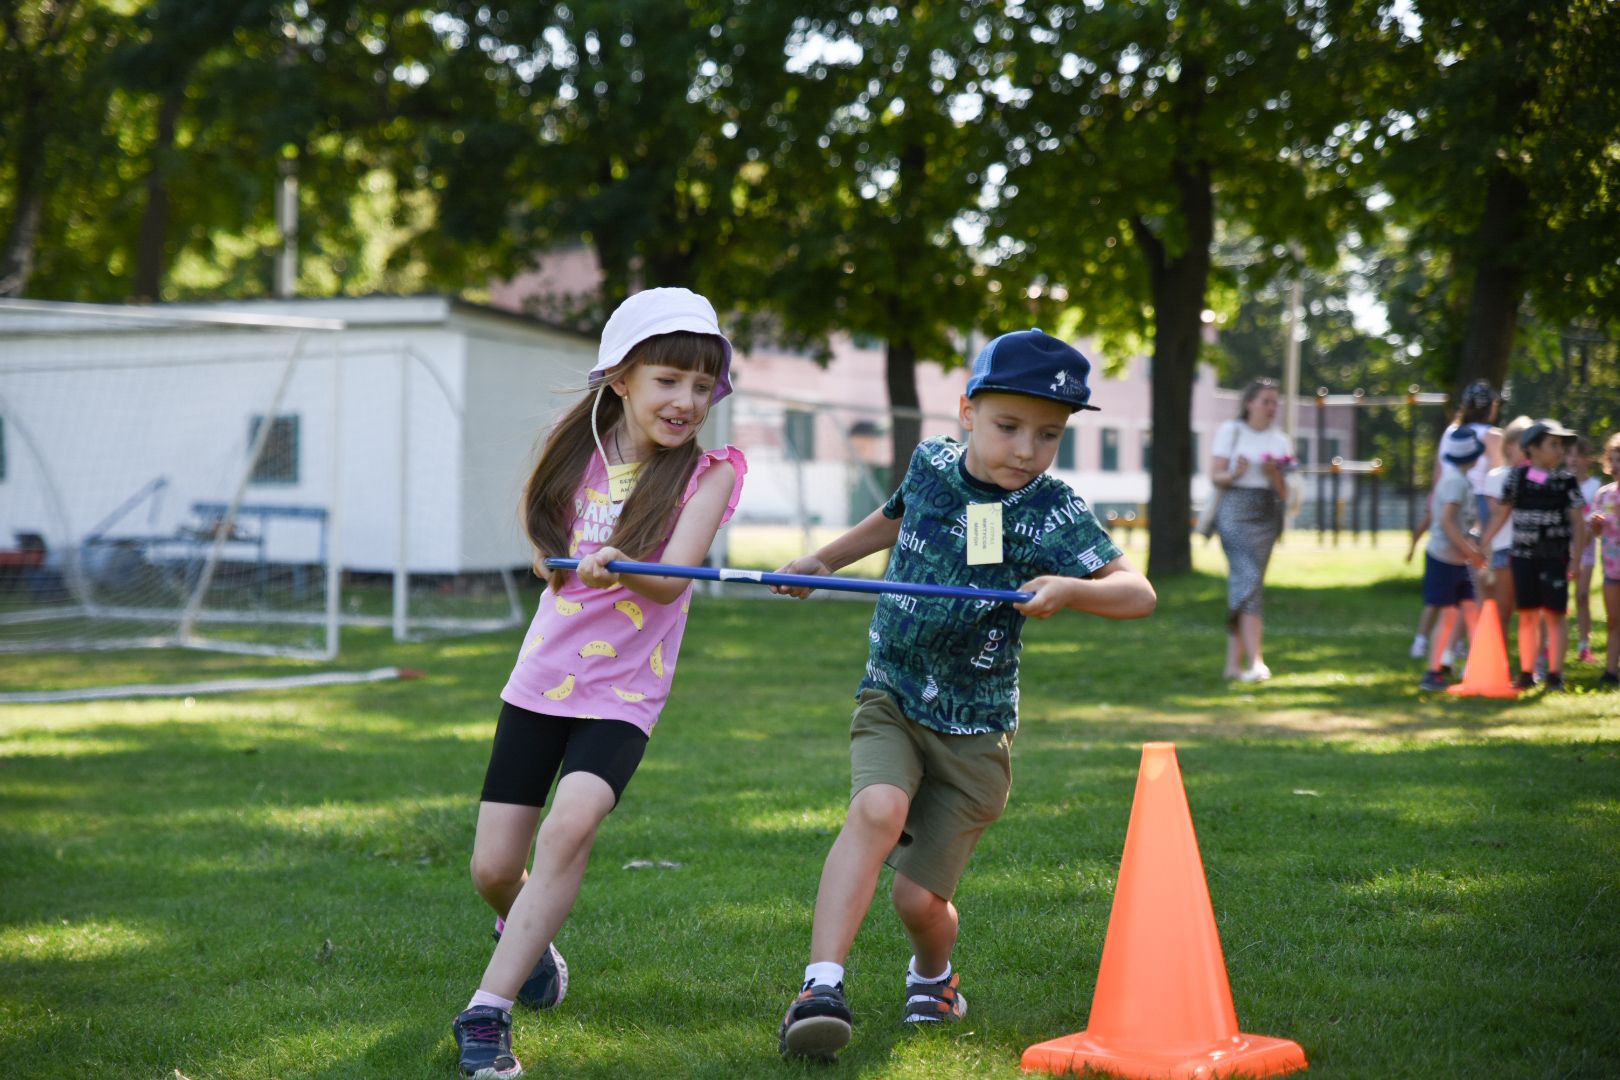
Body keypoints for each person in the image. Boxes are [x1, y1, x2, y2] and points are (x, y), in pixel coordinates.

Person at [768, 330, 1156, 1062]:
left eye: (1048, 434)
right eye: (1008, 426)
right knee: (876, 808)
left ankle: (934, 978)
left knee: (917, 901)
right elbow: (895, 515)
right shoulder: (932, 464)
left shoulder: (1053, 510)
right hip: (892, 692)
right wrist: (823, 560)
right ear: (967, 412)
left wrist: (1072, 589)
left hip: (975, 729)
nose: (1026, 450)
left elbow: (1139, 594)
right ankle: (820, 989)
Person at [451, 288, 747, 1080]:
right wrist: (553, 555)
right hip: (540, 682)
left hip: (624, 693)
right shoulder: (576, 449)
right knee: (493, 871)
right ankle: (530, 945)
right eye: (668, 381)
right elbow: (543, 532)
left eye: (702, 386)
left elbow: (671, 582)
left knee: (570, 826)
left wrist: (624, 565)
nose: (687, 401)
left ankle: (487, 1012)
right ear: (620, 379)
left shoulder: (710, 474)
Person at [1482, 419, 1586, 693]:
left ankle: (1555, 675)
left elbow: (1578, 522)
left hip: (1555, 558)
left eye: (1561, 445)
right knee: (1527, 614)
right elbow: (1502, 513)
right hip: (1523, 557)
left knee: (1555, 615)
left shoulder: (1566, 481)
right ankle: (1527, 672)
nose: (1560, 451)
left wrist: (1575, 559)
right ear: (1534, 448)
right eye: (1553, 444)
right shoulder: (1517, 478)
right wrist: (1483, 544)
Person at [1407, 380, 1504, 661]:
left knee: (1456, 588)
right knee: (1475, 584)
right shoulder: (1493, 436)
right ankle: (1458, 648)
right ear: (1492, 407)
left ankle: (1442, 645)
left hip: (1446, 503)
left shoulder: (1451, 433)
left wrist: (1434, 508)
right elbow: (1498, 477)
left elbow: (1438, 474)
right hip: (1477, 508)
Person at [1210, 378, 1291, 682]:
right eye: (1266, 401)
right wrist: (1236, 473)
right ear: (1249, 403)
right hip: (1234, 511)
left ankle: (1234, 665)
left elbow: (1285, 491)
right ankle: (1256, 661)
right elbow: (1215, 475)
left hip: (1266, 514)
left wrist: (1273, 474)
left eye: (1275, 402)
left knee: (1247, 587)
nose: (1271, 407)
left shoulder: (1280, 441)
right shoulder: (1231, 431)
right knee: (1248, 579)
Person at [1418, 428, 1488, 691]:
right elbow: (1447, 522)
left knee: (1470, 610)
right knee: (1449, 614)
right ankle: (1432, 672)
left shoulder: (1461, 480)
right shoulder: (1455, 482)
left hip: (1457, 560)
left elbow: (1462, 522)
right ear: (1474, 456)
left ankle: (1476, 666)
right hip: (1445, 559)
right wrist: (1471, 552)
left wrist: (1470, 547)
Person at [1480, 415, 1535, 649]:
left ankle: (1533, 660)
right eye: (1524, 443)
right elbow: (1497, 512)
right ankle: (1500, 657)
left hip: (1533, 549)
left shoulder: (1538, 475)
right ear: (1510, 445)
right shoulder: (1496, 476)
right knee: (1503, 609)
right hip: (1505, 549)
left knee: (1530, 610)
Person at [1584, 433, 1620, 687]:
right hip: (1612, 569)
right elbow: (1595, 533)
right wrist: (1595, 525)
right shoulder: (1603, 495)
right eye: (1613, 460)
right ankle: (1610, 671)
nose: (1616, 466)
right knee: (1614, 620)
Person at [1570, 436, 1601, 662]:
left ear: (1587, 459)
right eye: (1569, 454)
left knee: (1582, 595)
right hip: (1564, 546)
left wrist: (1587, 535)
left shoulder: (1595, 486)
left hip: (1587, 548)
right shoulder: (1562, 484)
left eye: (1578, 455)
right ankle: (1550, 644)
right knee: (1559, 597)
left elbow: (1596, 517)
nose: (1573, 460)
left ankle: (1584, 644)